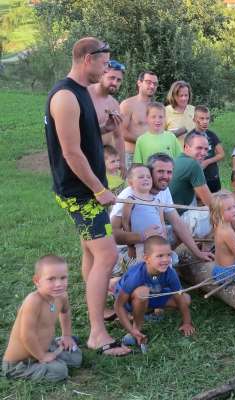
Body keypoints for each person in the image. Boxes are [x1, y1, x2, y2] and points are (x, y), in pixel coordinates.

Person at [45, 37, 129, 356]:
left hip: (84, 189)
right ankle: (97, 332)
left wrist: (103, 126)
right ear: (86, 59)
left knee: (92, 253)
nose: (106, 68)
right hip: (80, 192)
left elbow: (82, 134)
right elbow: (70, 152)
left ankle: (97, 311)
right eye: (104, 62)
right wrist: (99, 189)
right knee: (107, 255)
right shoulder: (65, 96)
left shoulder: (79, 93)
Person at [110, 153, 213, 274]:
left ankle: (161, 257)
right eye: (160, 171)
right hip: (128, 250)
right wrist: (140, 237)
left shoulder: (163, 190)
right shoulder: (128, 196)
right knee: (145, 272)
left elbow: (178, 223)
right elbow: (112, 234)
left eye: (169, 172)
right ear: (150, 172)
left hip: (153, 241)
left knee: (188, 225)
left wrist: (198, 253)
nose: (165, 176)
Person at [3, 255, 83, 381]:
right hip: (21, 362)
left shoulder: (61, 296)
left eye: (63, 278)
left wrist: (66, 335)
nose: (58, 284)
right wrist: (42, 356)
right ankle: (45, 363)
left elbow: (65, 312)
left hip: (44, 347)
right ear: (37, 281)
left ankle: (54, 351)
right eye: (51, 279)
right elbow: (27, 336)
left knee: (76, 358)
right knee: (60, 371)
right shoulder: (33, 301)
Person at [114, 236, 195, 348]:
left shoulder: (170, 273)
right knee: (142, 292)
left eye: (168, 255)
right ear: (146, 258)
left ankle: (146, 310)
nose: (166, 259)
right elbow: (119, 305)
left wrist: (187, 322)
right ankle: (137, 328)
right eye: (160, 256)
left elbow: (180, 297)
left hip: (152, 294)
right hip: (129, 299)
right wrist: (131, 330)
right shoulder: (136, 276)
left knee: (186, 299)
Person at [170, 132, 214, 238]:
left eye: (206, 149)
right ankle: (206, 249)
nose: (203, 153)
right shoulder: (193, 165)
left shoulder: (178, 159)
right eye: (199, 148)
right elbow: (210, 203)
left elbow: (200, 196)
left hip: (167, 218)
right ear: (186, 147)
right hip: (174, 222)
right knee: (222, 212)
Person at [119, 164, 165, 260]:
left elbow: (162, 222)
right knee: (145, 267)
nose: (146, 179)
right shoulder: (130, 200)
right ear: (130, 182)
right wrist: (130, 246)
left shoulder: (157, 201)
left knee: (164, 264)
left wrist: (164, 238)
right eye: (141, 177)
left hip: (159, 241)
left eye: (148, 177)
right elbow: (125, 223)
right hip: (141, 244)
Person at [89, 59, 125, 168]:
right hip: (87, 158)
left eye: (119, 80)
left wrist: (122, 162)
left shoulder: (114, 104)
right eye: (111, 78)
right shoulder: (85, 96)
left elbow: (118, 136)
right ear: (102, 74)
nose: (115, 83)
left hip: (107, 162)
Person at [120, 71, 158, 168]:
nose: (152, 86)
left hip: (153, 156)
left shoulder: (156, 107)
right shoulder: (128, 105)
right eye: (148, 82)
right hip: (133, 156)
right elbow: (120, 131)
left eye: (155, 83)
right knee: (132, 183)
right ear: (139, 83)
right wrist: (143, 141)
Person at [190, 105, 224, 193]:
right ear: (194, 119)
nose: (205, 122)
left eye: (207, 118)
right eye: (201, 118)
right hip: (197, 178)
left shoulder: (211, 135)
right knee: (200, 203)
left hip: (213, 176)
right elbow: (187, 156)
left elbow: (221, 154)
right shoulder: (190, 137)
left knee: (215, 204)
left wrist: (207, 162)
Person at [165, 80, 196, 146]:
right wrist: (178, 132)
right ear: (173, 96)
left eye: (186, 95)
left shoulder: (194, 110)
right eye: (180, 95)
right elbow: (159, 135)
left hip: (193, 154)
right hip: (173, 154)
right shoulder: (165, 111)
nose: (184, 98)